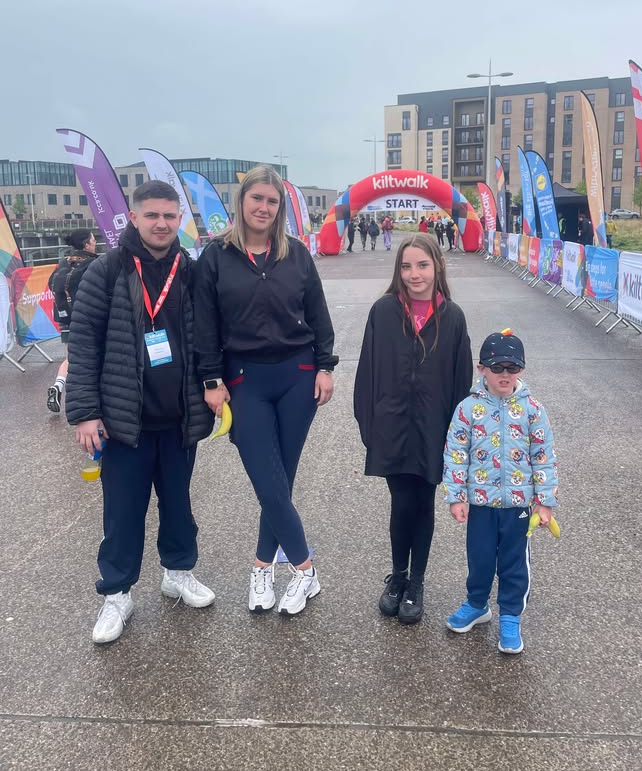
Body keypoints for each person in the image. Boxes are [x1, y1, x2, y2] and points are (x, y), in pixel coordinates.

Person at [66, 181, 215, 645]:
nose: (162, 224)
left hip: (177, 417)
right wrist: (85, 412)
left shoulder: (189, 271)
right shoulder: (105, 271)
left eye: (170, 216)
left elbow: (206, 337)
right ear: (133, 217)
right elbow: (84, 345)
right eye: (152, 215)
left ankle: (178, 571)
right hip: (122, 419)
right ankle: (116, 592)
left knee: (178, 505)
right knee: (123, 512)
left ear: (179, 220)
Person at [194, 166, 338, 617]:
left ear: (279, 208)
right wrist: (211, 380)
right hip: (243, 380)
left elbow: (317, 312)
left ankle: (261, 567)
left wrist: (325, 366)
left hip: (297, 376)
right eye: (257, 198)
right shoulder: (216, 257)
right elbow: (205, 325)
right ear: (242, 202)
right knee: (266, 478)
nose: (264, 207)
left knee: (281, 480)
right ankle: (305, 568)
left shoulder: (295, 254)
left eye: (272, 201)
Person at [354, 234, 473, 624]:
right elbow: (367, 372)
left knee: (423, 504)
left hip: (433, 429)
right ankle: (398, 577)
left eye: (422, 265)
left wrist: (457, 438)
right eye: (406, 266)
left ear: (437, 266)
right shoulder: (384, 311)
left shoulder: (452, 317)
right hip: (392, 425)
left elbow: (460, 381)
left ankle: (416, 581)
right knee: (400, 501)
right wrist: (369, 425)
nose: (414, 274)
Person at [443, 330, 558, 654]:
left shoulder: (533, 410)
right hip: (480, 504)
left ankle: (510, 616)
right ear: (482, 369)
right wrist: (457, 495)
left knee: (514, 564)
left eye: (512, 368)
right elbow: (455, 454)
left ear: (521, 369)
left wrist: (544, 502)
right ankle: (477, 604)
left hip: (519, 506)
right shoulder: (468, 409)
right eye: (497, 368)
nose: (505, 375)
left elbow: (544, 458)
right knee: (479, 560)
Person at [47, 229, 97, 413]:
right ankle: (84, 398)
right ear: (86, 244)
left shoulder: (63, 263)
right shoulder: (93, 264)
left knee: (71, 357)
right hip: (86, 319)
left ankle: (58, 386)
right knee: (90, 359)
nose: (95, 243)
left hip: (65, 318)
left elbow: (51, 284)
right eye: (93, 240)